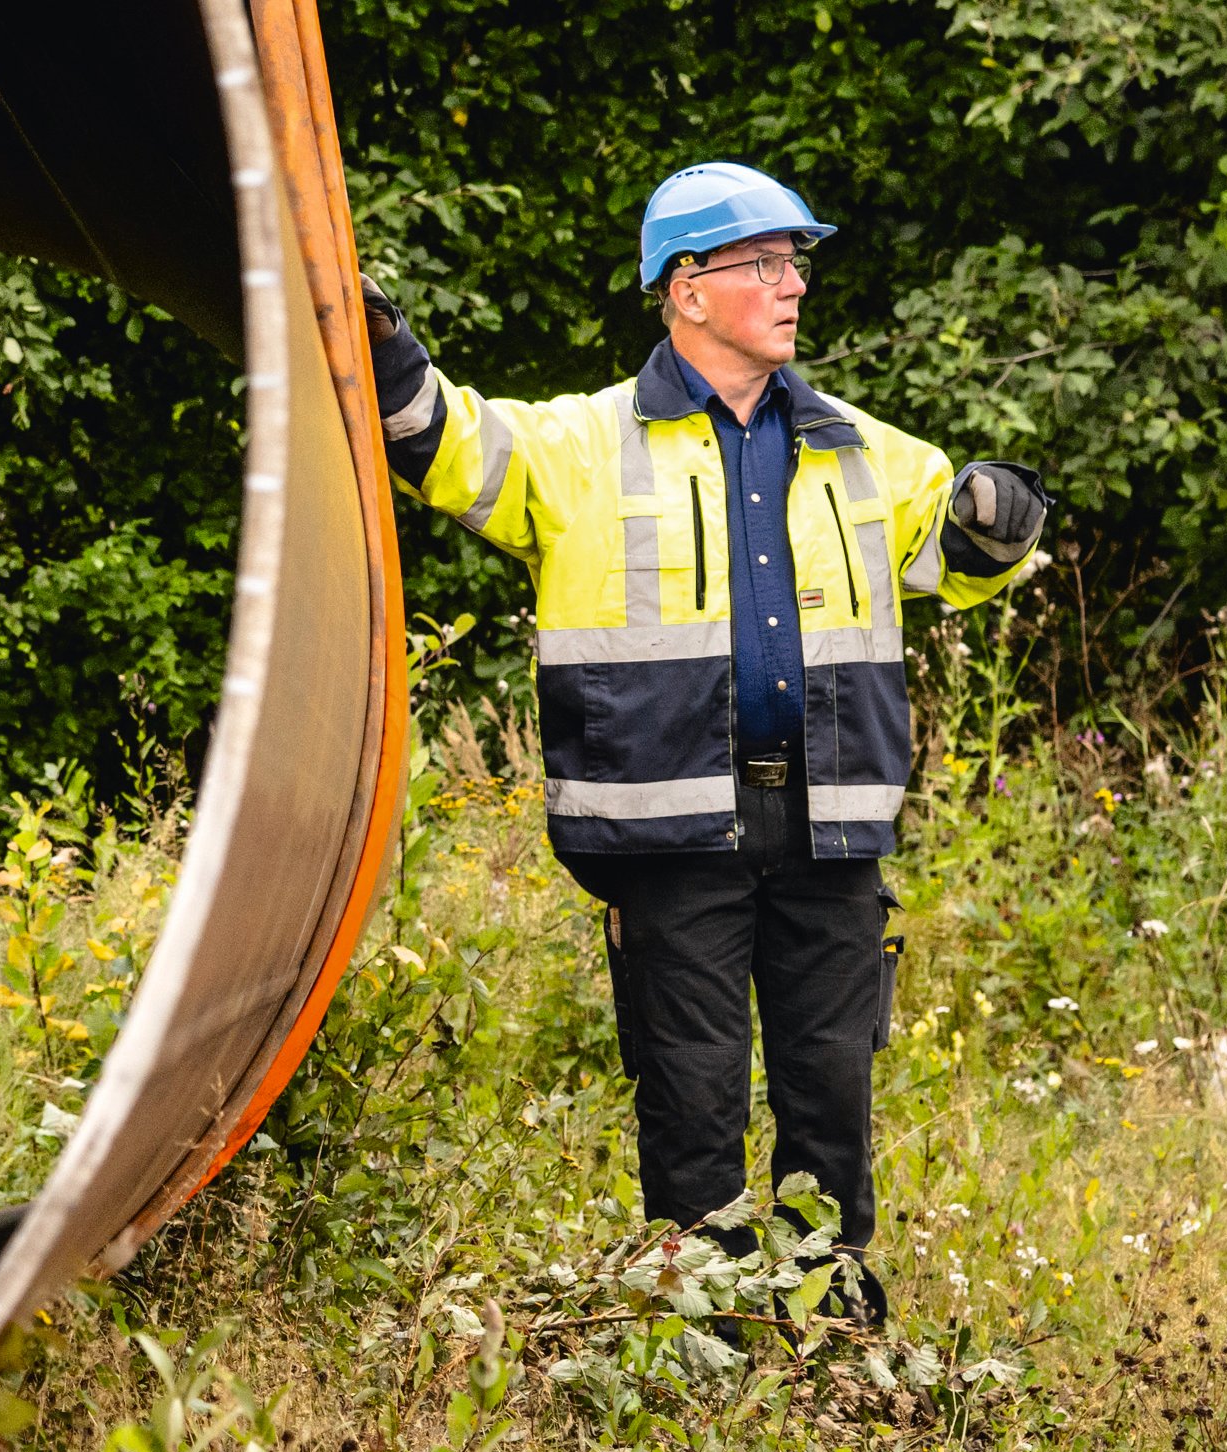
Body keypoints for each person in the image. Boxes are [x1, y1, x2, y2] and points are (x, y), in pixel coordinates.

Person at [360, 161, 1050, 1320]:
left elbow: (965, 548)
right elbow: (445, 443)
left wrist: (997, 511)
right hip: (666, 832)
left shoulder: (857, 449)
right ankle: (698, 1339)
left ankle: (831, 1331)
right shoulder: (581, 444)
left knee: (830, 1093)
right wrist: (372, 342)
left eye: (796, 263)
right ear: (685, 288)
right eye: (764, 264)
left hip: (827, 826)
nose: (792, 286)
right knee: (690, 1100)